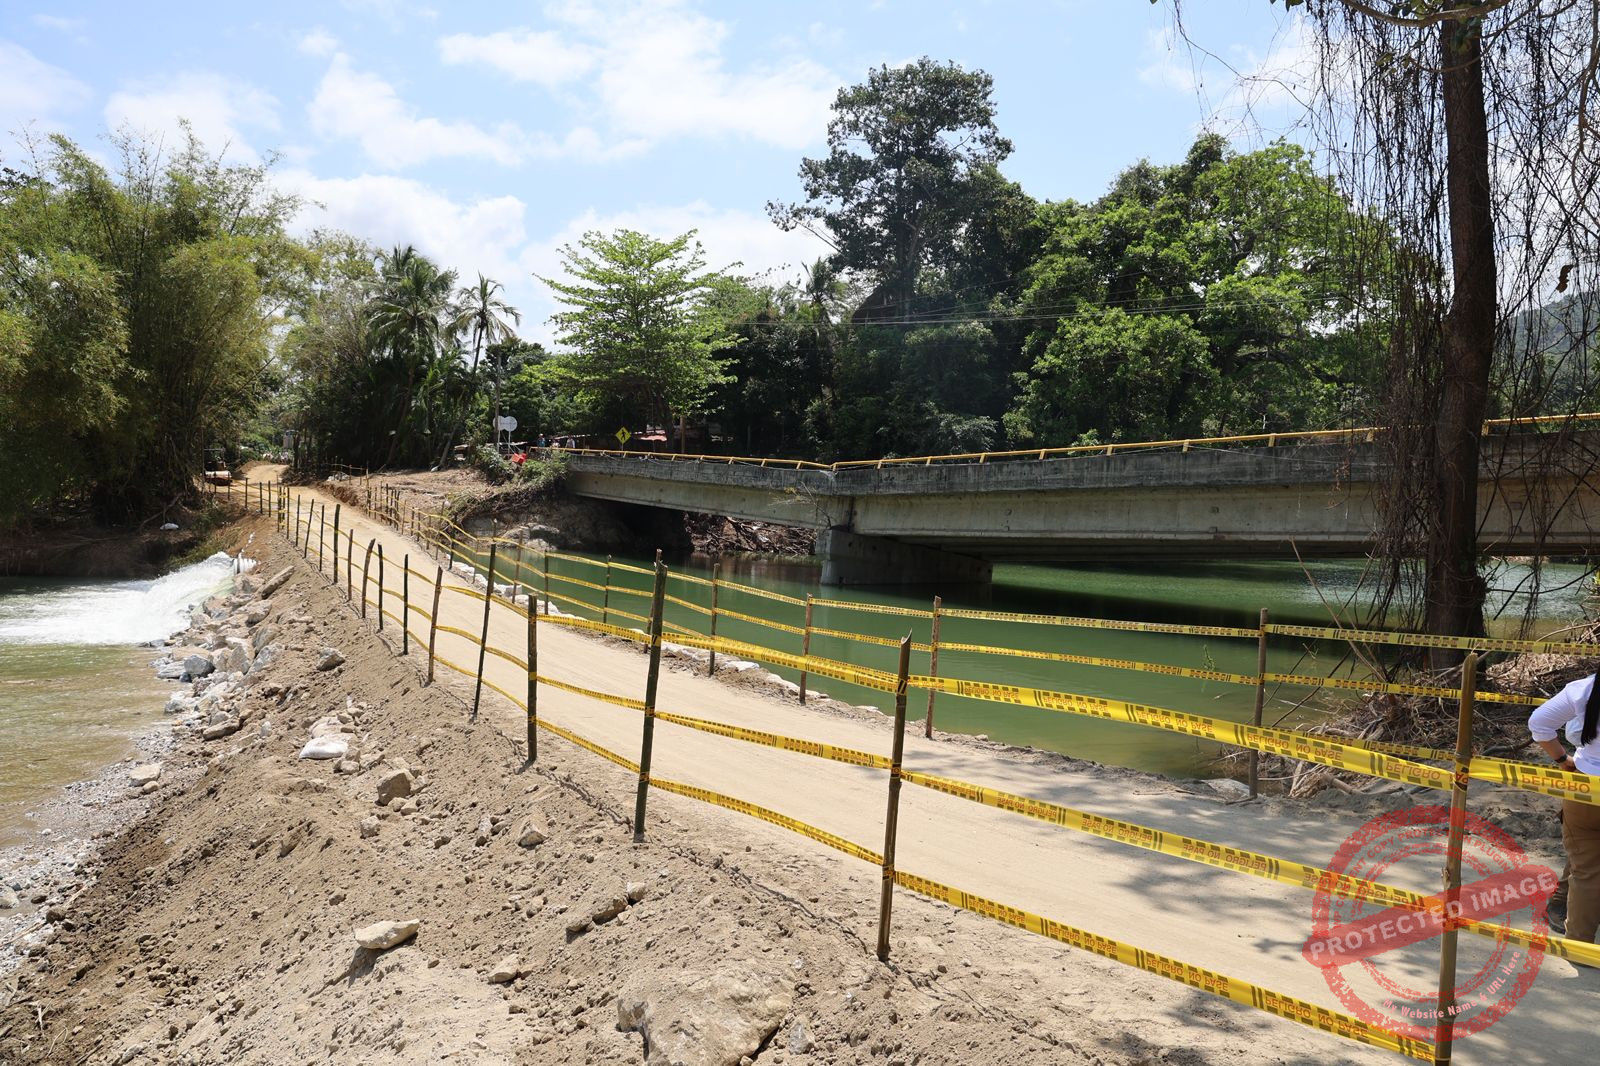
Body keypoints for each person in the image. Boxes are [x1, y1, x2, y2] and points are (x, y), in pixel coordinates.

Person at [1528, 673, 1600, 941]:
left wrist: (1561, 759)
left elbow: (1539, 723)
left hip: (1585, 787)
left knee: (1585, 867)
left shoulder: (1585, 688)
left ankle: (1579, 946)